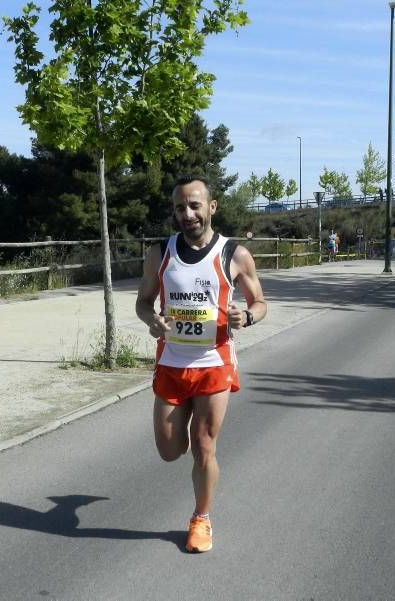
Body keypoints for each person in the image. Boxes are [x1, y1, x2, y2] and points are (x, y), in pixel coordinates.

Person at [135, 175, 267, 553]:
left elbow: (260, 302)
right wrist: (152, 320)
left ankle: (201, 518)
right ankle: (195, 470)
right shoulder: (160, 254)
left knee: (204, 446)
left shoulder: (234, 254)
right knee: (169, 449)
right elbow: (143, 302)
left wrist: (249, 317)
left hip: (214, 364)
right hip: (172, 364)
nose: (188, 214)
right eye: (180, 207)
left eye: (195, 205)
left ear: (211, 207)